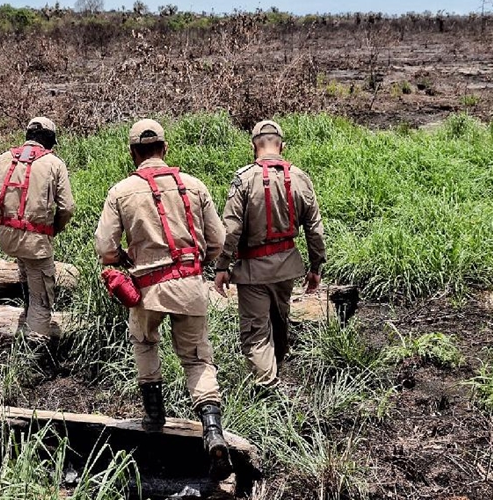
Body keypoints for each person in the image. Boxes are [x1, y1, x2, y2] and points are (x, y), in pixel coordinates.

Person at [94, 119, 232, 479]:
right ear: (165, 149)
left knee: (144, 342)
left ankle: (154, 416)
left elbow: (105, 249)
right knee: (198, 358)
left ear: (132, 153)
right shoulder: (195, 186)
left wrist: (125, 258)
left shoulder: (121, 191)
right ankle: (213, 431)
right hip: (190, 285)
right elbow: (218, 242)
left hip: (147, 289)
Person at [214, 119, 326, 390]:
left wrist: (222, 266)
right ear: (282, 146)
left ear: (254, 146)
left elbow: (230, 229)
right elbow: (315, 229)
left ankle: (269, 390)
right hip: (287, 267)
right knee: (279, 321)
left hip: (253, 271)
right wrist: (316, 267)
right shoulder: (300, 178)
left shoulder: (243, 178)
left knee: (255, 334)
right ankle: (276, 372)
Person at [0, 117, 75, 338]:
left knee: (25, 268)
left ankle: (26, 309)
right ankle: (34, 356)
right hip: (37, 242)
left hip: (7, 238)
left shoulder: (2, 160)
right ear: (50, 140)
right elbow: (67, 208)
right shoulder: (54, 164)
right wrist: (53, 229)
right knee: (42, 301)